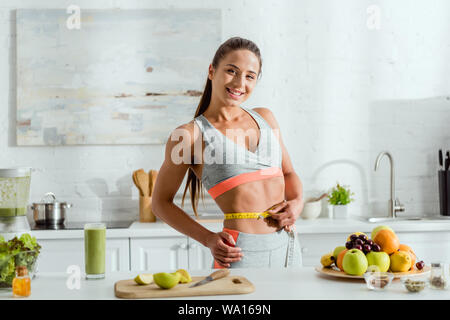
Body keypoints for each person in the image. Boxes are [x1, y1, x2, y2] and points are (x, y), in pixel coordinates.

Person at [152, 37, 304, 268]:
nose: (240, 83)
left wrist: (298, 203)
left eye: (250, 76)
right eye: (231, 71)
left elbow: (289, 173)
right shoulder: (188, 136)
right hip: (240, 253)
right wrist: (208, 238)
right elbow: (160, 203)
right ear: (212, 71)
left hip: (289, 247)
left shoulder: (266, 118)